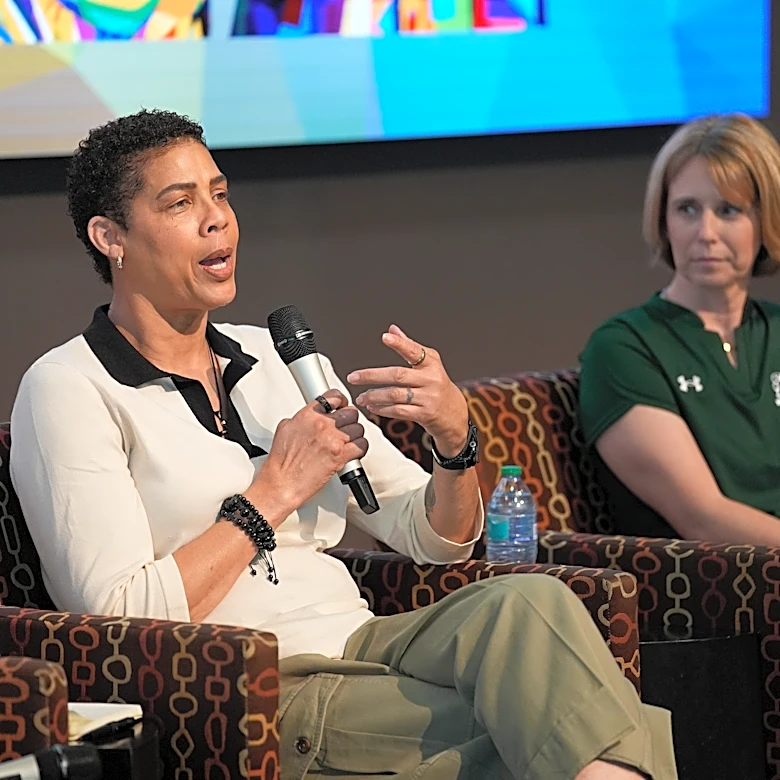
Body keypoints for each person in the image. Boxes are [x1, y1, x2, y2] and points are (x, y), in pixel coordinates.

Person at [10, 109, 676, 780]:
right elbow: (114, 620)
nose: (218, 219)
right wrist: (273, 492)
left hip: (363, 643)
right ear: (110, 237)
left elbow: (432, 537)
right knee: (548, 729)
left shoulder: (274, 357)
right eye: (181, 203)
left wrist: (454, 441)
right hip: (255, 689)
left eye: (220, 194)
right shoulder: (69, 388)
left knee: (534, 604)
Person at [579, 113, 780, 544]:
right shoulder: (624, 348)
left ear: (766, 221)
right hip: (709, 591)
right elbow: (703, 518)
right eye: (687, 209)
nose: (705, 233)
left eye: (728, 210)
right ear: (664, 221)